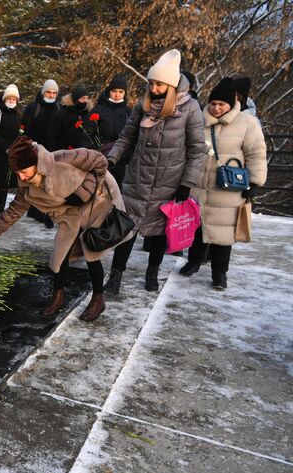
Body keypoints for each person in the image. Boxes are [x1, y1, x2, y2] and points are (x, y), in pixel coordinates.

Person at [0, 136, 129, 322]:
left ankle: (98, 298)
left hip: (96, 202)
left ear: (36, 163)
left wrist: (84, 192)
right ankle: (58, 296)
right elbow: (12, 213)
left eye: (23, 171)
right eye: (17, 173)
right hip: (69, 214)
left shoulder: (61, 159)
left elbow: (98, 160)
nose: (21, 177)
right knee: (60, 253)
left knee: (91, 251)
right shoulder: (26, 187)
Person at [104, 49, 206, 294]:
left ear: (170, 85)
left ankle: (153, 272)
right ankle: (116, 274)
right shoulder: (143, 104)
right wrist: (113, 158)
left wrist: (186, 183)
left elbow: (197, 149)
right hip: (138, 177)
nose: (154, 87)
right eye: (151, 83)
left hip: (168, 180)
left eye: (159, 84)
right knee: (127, 228)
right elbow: (127, 136)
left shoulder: (190, 109)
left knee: (159, 231)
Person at [178, 77, 267, 289]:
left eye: (221, 104)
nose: (216, 108)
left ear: (231, 104)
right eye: (214, 103)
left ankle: (219, 272)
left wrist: (254, 182)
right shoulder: (199, 119)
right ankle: (194, 261)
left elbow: (256, 153)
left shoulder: (247, 123)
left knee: (223, 233)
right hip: (199, 184)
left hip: (228, 188)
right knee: (197, 228)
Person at [21, 79, 61, 228]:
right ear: (43, 92)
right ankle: (34, 209)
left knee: (48, 182)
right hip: (35, 149)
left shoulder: (58, 108)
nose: (51, 95)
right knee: (35, 181)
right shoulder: (33, 107)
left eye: (54, 93)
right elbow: (24, 128)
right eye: (49, 92)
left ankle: (43, 212)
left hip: (51, 152)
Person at [0, 84, 22, 219]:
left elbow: (20, 131)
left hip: (12, 152)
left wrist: (15, 147)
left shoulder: (18, 112)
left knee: (6, 183)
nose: (12, 101)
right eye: (10, 98)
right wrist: (5, 148)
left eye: (14, 99)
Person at [90, 74, 131, 185]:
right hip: (100, 157)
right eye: (114, 91)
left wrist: (126, 156)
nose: (117, 95)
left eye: (121, 92)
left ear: (125, 93)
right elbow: (88, 133)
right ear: (109, 91)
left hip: (120, 159)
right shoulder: (99, 109)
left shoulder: (128, 112)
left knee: (117, 190)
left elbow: (132, 135)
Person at [56, 85, 93, 150]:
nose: (85, 101)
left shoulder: (88, 113)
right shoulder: (63, 113)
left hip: (85, 151)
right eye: (82, 98)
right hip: (66, 151)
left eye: (87, 98)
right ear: (75, 99)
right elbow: (56, 134)